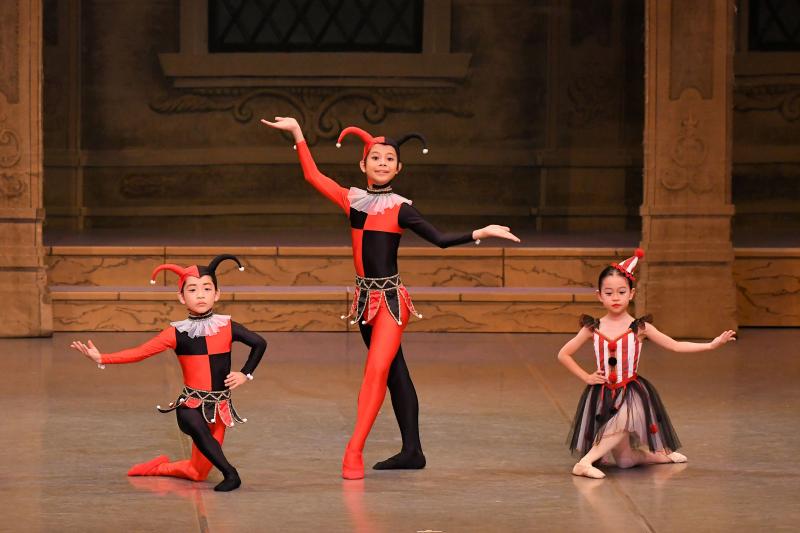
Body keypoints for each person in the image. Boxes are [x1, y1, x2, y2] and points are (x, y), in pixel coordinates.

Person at [261, 116, 520, 479]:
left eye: (389, 159)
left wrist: (482, 232)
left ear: (399, 168)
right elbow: (313, 176)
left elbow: (440, 240)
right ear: (362, 165)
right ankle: (413, 451)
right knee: (396, 373)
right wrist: (298, 134)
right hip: (363, 304)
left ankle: (354, 451)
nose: (382, 163)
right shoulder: (351, 200)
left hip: (390, 304)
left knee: (376, 371)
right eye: (376, 157)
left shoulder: (401, 208)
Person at [70, 254, 267, 491]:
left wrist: (245, 374)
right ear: (181, 297)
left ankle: (157, 467)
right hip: (190, 406)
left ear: (217, 294)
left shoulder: (226, 327)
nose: (201, 295)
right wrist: (102, 358)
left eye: (207, 288)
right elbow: (140, 352)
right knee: (200, 433)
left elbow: (259, 343)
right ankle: (231, 474)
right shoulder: (176, 333)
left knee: (197, 473)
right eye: (192, 289)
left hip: (219, 410)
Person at [558, 248, 736, 479]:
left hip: (631, 392)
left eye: (621, 292)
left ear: (631, 294)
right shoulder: (593, 327)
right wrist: (587, 377)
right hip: (603, 394)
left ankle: (587, 462)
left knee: (624, 425)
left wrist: (710, 345)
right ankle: (656, 457)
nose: (615, 297)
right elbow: (563, 354)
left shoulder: (640, 328)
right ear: (599, 296)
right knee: (624, 459)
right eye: (609, 293)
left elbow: (674, 345)